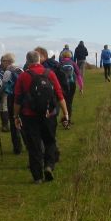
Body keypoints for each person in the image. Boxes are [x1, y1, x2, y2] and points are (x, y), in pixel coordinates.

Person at [13, 50, 69, 183]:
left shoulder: (23, 76)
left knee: (34, 146)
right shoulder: (50, 73)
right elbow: (59, 94)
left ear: (27, 61)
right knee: (50, 141)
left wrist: (16, 116)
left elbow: (17, 99)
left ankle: (37, 176)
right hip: (49, 114)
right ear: (39, 59)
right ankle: (49, 166)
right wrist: (66, 113)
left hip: (29, 116)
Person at [0, 52, 24, 155]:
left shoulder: (7, 72)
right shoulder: (20, 69)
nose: (2, 63)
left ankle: (17, 147)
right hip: (22, 98)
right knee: (23, 121)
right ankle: (29, 144)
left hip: (12, 97)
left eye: (3, 61)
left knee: (13, 121)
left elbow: (3, 86)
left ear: (8, 61)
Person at [57, 49, 83, 124]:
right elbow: (78, 75)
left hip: (62, 85)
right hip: (72, 85)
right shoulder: (73, 63)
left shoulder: (59, 64)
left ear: (62, 56)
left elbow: (56, 76)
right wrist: (81, 87)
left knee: (64, 101)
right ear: (70, 56)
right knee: (69, 102)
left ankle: (65, 118)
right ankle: (68, 120)